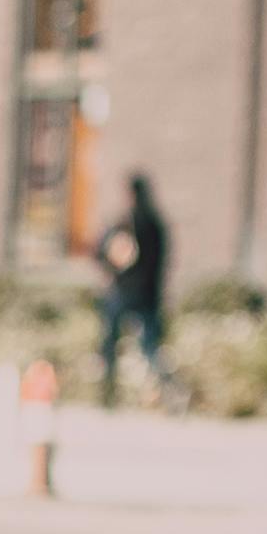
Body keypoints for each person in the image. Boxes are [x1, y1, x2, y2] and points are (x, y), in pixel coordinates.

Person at [96, 173, 175, 406]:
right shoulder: (156, 223)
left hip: (125, 291)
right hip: (149, 294)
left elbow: (107, 253)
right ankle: (165, 388)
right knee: (150, 345)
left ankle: (108, 392)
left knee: (111, 340)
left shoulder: (127, 223)